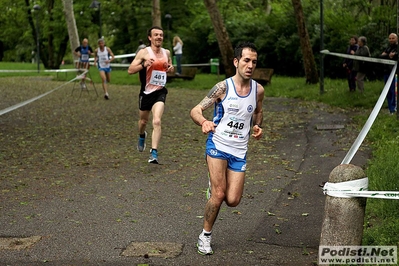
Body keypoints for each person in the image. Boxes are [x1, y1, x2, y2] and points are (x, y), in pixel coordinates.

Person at [190, 42, 264, 255]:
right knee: (219, 194)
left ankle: (214, 187)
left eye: (254, 62)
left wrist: (258, 125)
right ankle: (205, 236)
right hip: (218, 145)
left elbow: (258, 111)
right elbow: (195, 110)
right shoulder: (222, 88)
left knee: (233, 200)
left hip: (239, 151)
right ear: (236, 62)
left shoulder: (258, 90)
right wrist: (203, 121)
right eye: (246, 60)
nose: (250, 65)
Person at [127, 26, 174, 164]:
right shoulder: (143, 52)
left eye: (161, 35)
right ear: (150, 37)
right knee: (143, 122)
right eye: (156, 35)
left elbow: (170, 67)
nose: (159, 37)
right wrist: (144, 65)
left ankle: (154, 152)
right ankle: (142, 135)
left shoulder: (167, 52)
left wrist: (171, 68)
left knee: (157, 120)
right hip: (146, 92)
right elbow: (130, 70)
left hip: (160, 91)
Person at [380, 33, 398, 115]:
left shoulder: (397, 48)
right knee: (388, 91)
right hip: (386, 72)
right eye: (390, 38)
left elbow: (396, 56)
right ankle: (391, 109)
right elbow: (381, 56)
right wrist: (389, 56)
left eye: (393, 38)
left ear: (396, 39)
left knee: (393, 91)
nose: (391, 40)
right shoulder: (388, 48)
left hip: (395, 73)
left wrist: (393, 56)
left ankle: (394, 108)